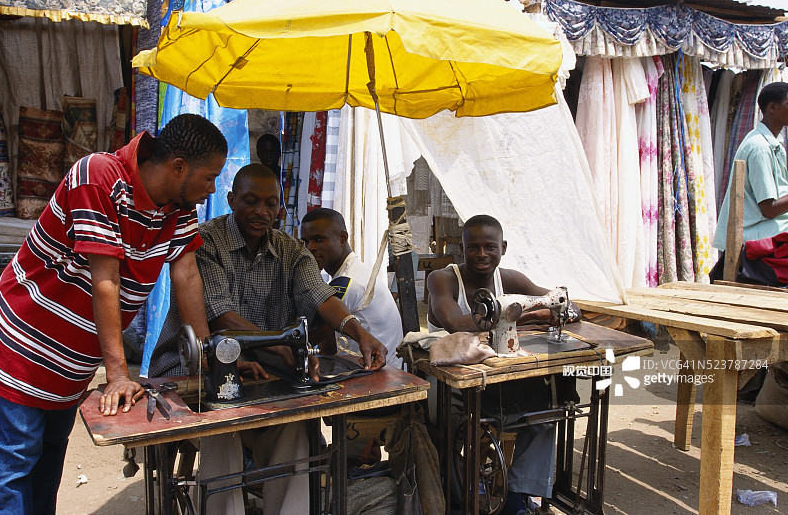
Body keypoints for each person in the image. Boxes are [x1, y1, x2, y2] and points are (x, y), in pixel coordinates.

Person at [0, 113, 227, 514]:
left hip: (73, 359)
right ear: (178, 168)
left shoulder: (178, 205)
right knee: (13, 466)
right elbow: (106, 280)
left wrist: (207, 360)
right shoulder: (98, 176)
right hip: (26, 342)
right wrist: (118, 375)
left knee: (47, 462)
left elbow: (186, 272)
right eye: (209, 177)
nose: (213, 189)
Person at [149, 163, 388, 515]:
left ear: (280, 207)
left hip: (262, 373)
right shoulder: (206, 242)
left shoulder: (290, 251)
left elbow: (320, 296)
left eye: (271, 204)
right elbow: (220, 315)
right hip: (196, 369)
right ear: (231, 199)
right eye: (251, 201)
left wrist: (358, 330)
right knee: (222, 432)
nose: (261, 212)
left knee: (294, 430)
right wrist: (279, 346)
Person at [426, 214, 581, 515]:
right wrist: (530, 314)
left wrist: (562, 307)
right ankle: (462, 494)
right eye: (473, 247)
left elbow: (564, 304)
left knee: (544, 410)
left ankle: (518, 496)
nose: (481, 255)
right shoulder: (442, 279)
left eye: (489, 247)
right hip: (449, 382)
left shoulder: (509, 279)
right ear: (462, 248)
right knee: (445, 431)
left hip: (494, 379)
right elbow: (456, 322)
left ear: (503, 247)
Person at [300, 207, 404, 368]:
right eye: (305, 241)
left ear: (343, 238)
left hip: (381, 371)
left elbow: (309, 338)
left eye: (319, 240)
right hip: (382, 366)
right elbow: (328, 345)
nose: (310, 248)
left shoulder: (348, 282)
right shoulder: (355, 271)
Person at [713, 81, 788, 254]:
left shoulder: (767, 143)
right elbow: (769, 209)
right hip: (752, 232)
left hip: (764, 226)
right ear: (772, 108)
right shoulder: (760, 147)